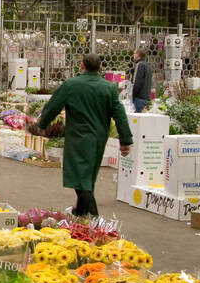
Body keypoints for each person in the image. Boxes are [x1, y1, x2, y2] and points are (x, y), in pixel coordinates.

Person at [28, 53, 133, 217]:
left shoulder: (71, 85)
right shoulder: (109, 88)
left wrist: (42, 125)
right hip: (99, 138)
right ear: (99, 68)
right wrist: (125, 140)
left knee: (81, 178)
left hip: (78, 136)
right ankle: (81, 212)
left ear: (82, 66)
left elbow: (53, 106)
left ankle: (94, 217)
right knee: (88, 175)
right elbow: (120, 115)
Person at [131, 47, 152, 113]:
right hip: (146, 97)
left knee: (137, 120)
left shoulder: (139, 65)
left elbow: (137, 82)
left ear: (138, 55)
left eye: (134, 53)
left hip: (139, 98)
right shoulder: (147, 66)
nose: (133, 55)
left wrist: (132, 93)